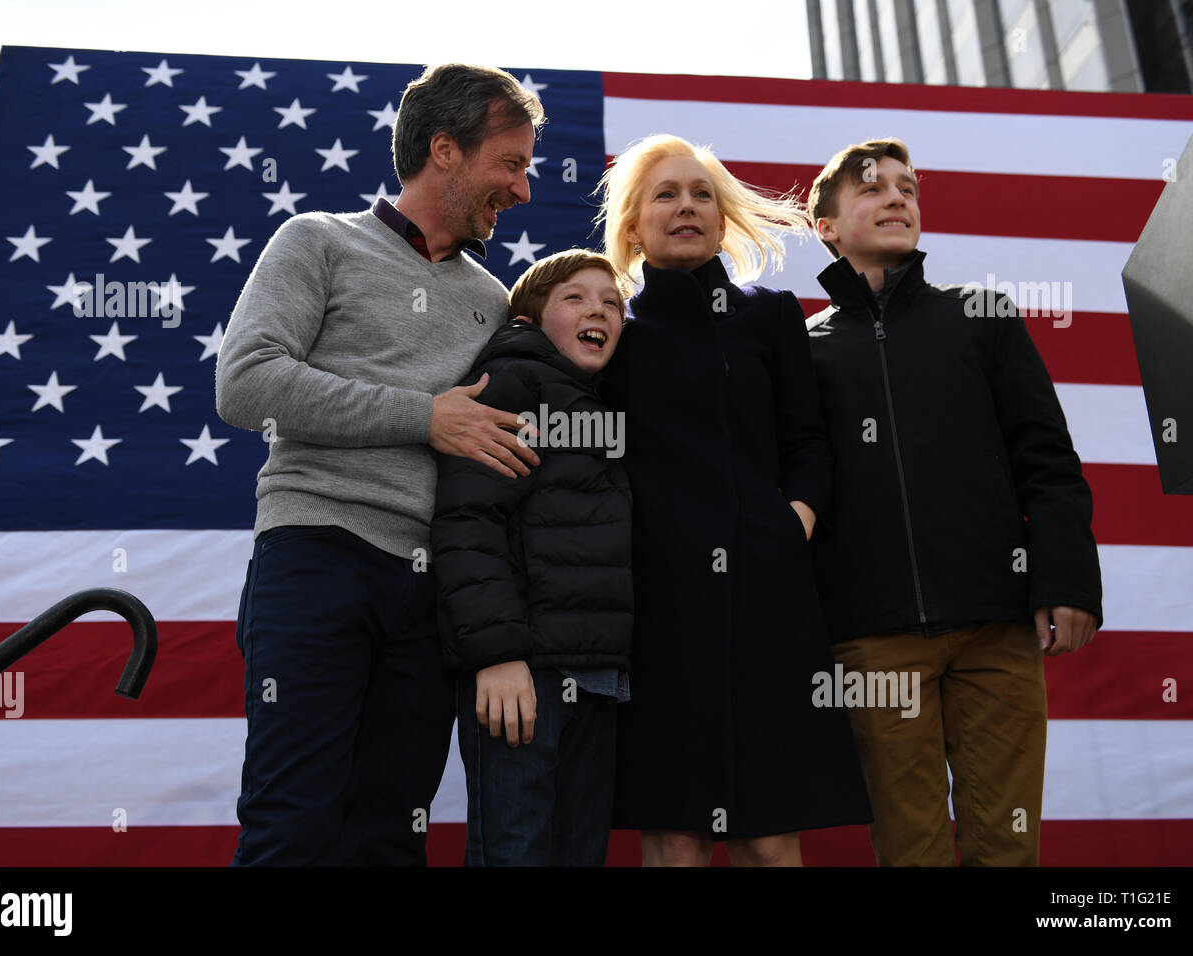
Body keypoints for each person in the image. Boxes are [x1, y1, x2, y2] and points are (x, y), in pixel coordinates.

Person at [214, 63, 544, 866]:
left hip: (430, 595)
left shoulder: (495, 303)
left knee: (393, 834)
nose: (524, 189)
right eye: (511, 163)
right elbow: (245, 383)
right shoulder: (316, 241)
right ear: (444, 151)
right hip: (314, 556)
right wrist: (422, 416)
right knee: (291, 822)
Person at [804, 137, 1103, 866]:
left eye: (908, 188)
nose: (898, 199)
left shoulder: (984, 316)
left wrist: (1066, 580)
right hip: (873, 637)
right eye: (874, 189)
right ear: (828, 227)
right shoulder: (802, 347)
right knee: (911, 847)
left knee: (1007, 843)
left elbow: (1049, 460)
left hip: (996, 627)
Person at [595, 134, 872, 867]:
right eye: (666, 194)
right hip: (656, 610)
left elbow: (809, 446)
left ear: (722, 219)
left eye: (701, 194)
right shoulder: (610, 331)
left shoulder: (771, 315)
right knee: (676, 838)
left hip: (766, 600)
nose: (686, 206)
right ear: (632, 225)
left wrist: (790, 526)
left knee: (769, 838)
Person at [431, 249, 633, 866]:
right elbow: (469, 521)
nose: (597, 309)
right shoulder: (514, 384)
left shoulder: (598, 404)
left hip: (596, 678)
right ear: (530, 316)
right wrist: (498, 655)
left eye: (612, 303)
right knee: (514, 854)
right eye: (575, 297)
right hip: (525, 681)